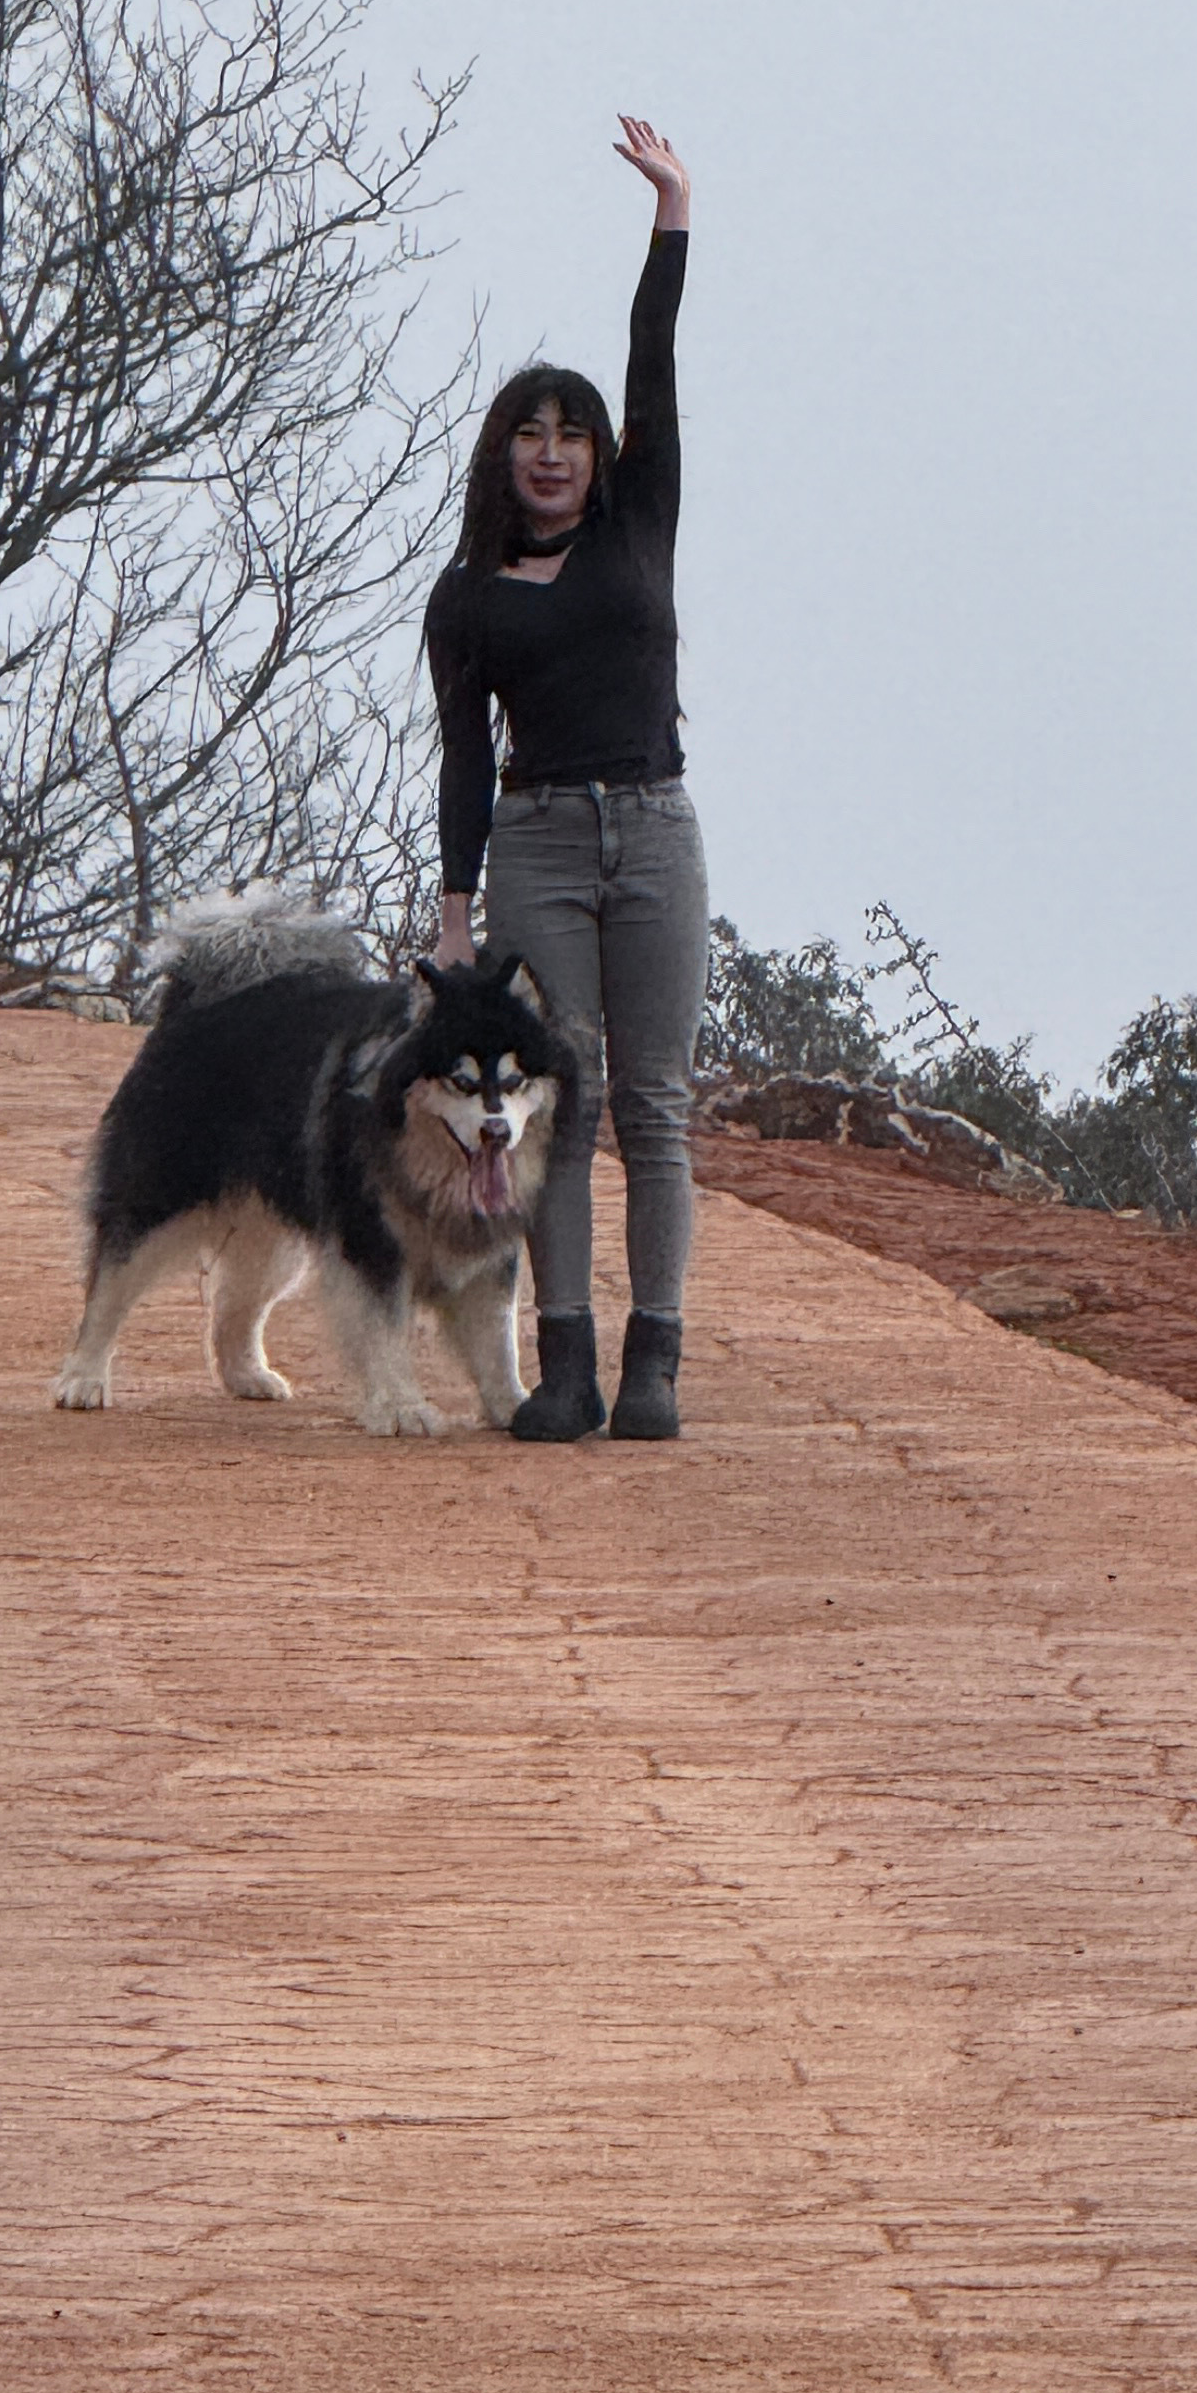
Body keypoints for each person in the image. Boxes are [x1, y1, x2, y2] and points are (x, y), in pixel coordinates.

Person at [424, 117, 706, 1441]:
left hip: (653, 827)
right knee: (560, 1104)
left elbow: (652, 360)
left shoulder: (640, 523)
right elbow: (464, 754)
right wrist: (454, 904)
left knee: (655, 1102)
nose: (551, 452)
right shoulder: (469, 596)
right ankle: (569, 1365)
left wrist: (671, 216)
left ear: (601, 456)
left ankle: (655, 1362)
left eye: (571, 434)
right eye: (529, 435)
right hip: (535, 842)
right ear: (503, 456)